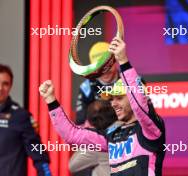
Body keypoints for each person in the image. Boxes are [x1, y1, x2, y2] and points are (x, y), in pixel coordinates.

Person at [39, 37, 166, 176]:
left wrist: (123, 60)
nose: (113, 103)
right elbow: (72, 134)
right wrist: (51, 101)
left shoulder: (150, 131)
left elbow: (140, 106)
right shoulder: (110, 135)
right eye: (111, 99)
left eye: (119, 98)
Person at [70, 42, 119, 176]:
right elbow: (80, 121)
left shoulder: (128, 80)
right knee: (74, 166)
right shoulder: (87, 87)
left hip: (125, 137)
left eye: (107, 66)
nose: (104, 71)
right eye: (99, 68)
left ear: (115, 61)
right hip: (97, 138)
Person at [0, 64, 51, 176]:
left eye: (5, 84)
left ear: (11, 86)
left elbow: (38, 153)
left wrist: (46, 173)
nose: (0, 88)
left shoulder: (20, 116)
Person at [69, 100, 118, 176]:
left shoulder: (97, 143)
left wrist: (88, 138)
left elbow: (72, 166)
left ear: (91, 122)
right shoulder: (127, 126)